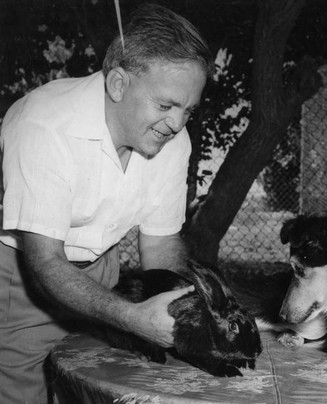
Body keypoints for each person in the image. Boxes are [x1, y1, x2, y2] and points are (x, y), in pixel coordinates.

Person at [0, 3, 214, 403]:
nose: (177, 125)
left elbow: (161, 246)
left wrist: (180, 307)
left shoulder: (172, 140)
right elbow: (45, 262)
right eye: (166, 105)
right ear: (117, 84)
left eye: (188, 110)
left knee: (101, 388)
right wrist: (133, 318)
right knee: (21, 393)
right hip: (20, 277)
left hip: (102, 269)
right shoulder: (43, 125)